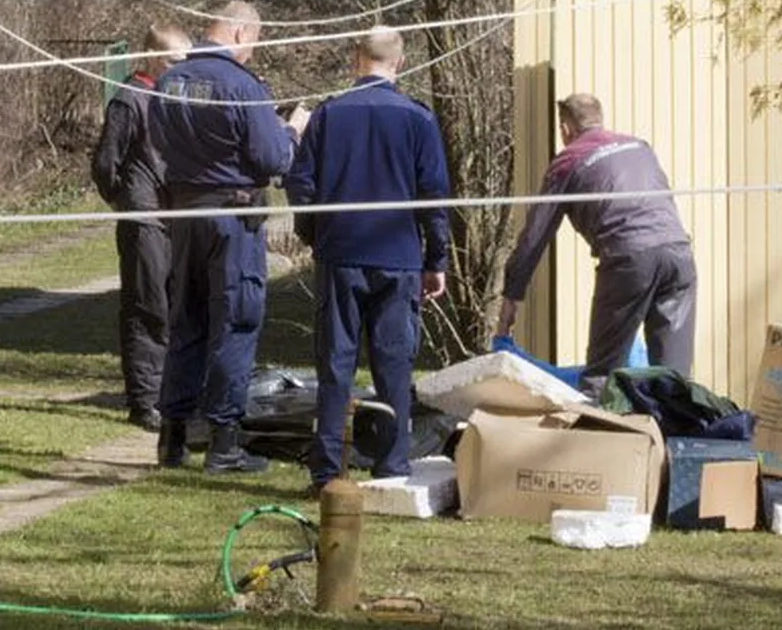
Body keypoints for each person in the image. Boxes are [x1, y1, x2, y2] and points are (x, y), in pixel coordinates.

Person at [285, 27, 451, 494]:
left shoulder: (329, 115)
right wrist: (435, 258)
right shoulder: (418, 120)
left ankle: (328, 470)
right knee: (394, 361)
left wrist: (315, 234)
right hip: (398, 255)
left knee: (335, 363)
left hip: (341, 253)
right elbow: (433, 195)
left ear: (357, 59)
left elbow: (300, 184)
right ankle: (392, 463)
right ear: (398, 64)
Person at [146, 0, 309, 473]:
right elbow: (270, 160)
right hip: (233, 218)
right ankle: (224, 440)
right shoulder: (242, 84)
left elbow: (160, 141)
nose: (253, 53)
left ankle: (172, 437)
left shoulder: (170, 80)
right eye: (254, 43)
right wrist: (292, 131)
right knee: (236, 320)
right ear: (240, 33)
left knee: (187, 319)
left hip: (184, 213)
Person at [497, 93, 696, 393]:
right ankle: (676, 435)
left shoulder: (568, 161)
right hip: (679, 256)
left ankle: (599, 437)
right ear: (599, 118)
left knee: (603, 376)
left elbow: (535, 235)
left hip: (629, 260)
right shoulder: (640, 147)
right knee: (674, 380)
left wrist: (512, 295)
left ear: (565, 129)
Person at [90, 23, 192, 432]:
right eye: (171, 61)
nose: (178, 70)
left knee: (175, 304)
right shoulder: (129, 100)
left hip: (175, 216)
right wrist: (126, 200)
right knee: (146, 307)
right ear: (150, 57)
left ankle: (172, 391)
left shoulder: (177, 97)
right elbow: (105, 163)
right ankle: (144, 400)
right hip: (143, 216)